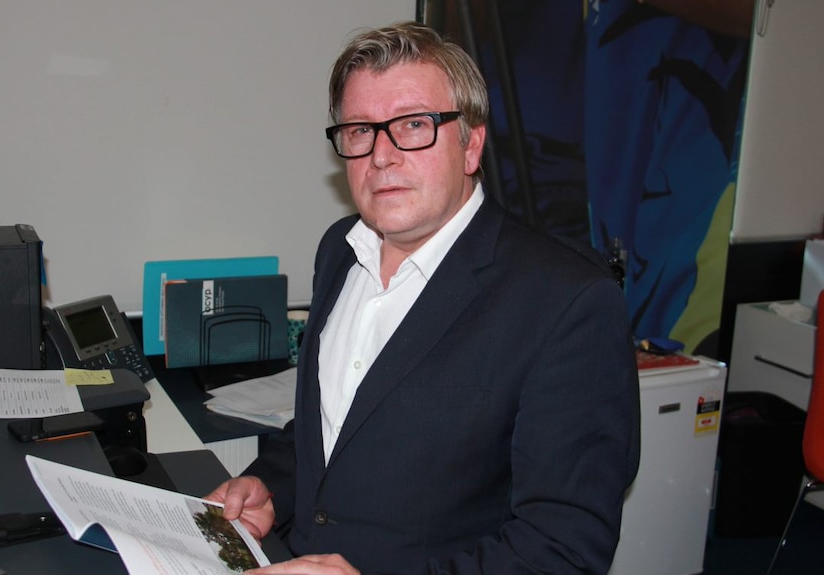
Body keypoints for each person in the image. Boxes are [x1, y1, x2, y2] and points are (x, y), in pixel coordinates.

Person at [206, 21, 640, 575]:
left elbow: (562, 551)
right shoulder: (339, 250)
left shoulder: (568, 302)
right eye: (361, 130)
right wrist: (273, 487)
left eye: (413, 125)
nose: (381, 156)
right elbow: (332, 430)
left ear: (470, 144)